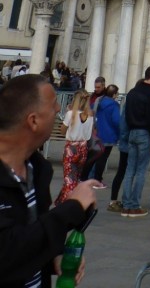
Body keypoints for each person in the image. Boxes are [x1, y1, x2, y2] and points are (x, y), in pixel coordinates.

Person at [0, 74, 100, 288]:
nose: (57, 109)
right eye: (53, 103)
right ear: (33, 120)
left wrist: (53, 256)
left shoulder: (36, 169)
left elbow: (33, 234)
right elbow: (7, 253)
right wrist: (72, 207)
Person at [121, 64, 150, 217]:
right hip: (144, 133)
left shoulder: (132, 93)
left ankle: (125, 205)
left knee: (129, 169)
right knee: (141, 171)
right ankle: (134, 205)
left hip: (132, 132)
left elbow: (126, 115)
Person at [55, 90, 93, 203]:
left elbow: (63, 130)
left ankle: (68, 203)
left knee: (69, 179)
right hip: (83, 148)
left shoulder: (70, 114)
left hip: (71, 147)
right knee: (75, 178)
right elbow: (89, 135)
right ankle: (61, 201)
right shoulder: (90, 116)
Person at [92, 83, 121, 183]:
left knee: (95, 156)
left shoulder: (99, 101)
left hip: (97, 133)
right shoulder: (114, 105)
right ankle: (98, 178)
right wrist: (119, 133)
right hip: (109, 135)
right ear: (114, 94)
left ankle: (91, 176)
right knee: (103, 158)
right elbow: (116, 121)